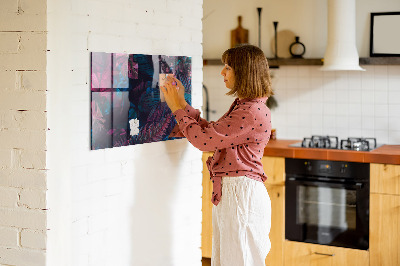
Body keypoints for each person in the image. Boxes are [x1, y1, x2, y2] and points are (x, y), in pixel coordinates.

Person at [161, 44, 273, 266]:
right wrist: (182, 103)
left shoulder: (250, 111)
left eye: (228, 67)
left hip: (241, 195)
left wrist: (176, 108)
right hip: (236, 193)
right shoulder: (246, 106)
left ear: (244, 72)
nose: (222, 72)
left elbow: (204, 141)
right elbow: (212, 133)